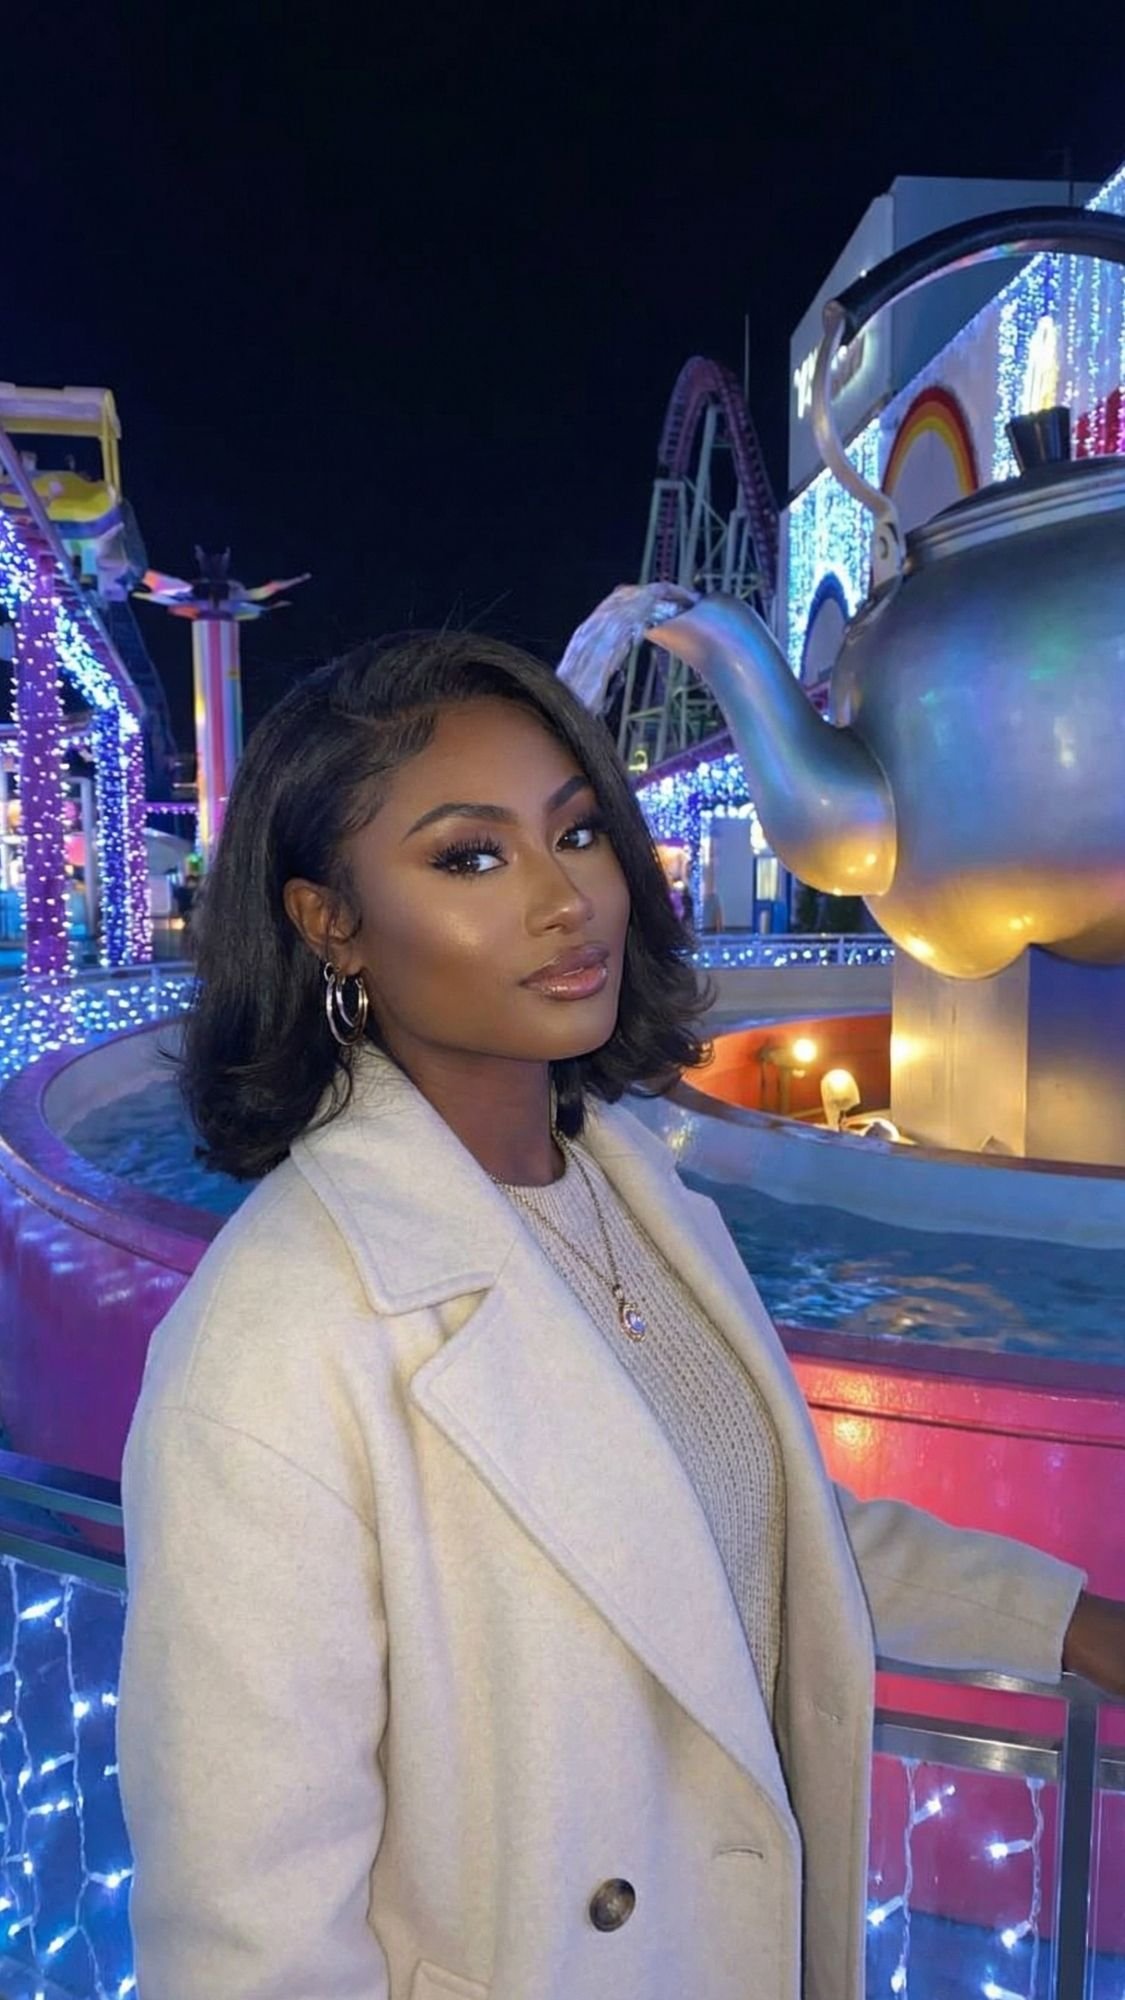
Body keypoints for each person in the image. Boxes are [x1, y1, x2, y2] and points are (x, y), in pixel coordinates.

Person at [118, 621, 1125, 2000]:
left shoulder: (630, 1188)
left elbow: (734, 1533)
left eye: (575, 834)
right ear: (327, 920)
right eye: (470, 857)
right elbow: (252, 1944)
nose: (563, 900)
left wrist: (1064, 1624)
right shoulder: (276, 1342)